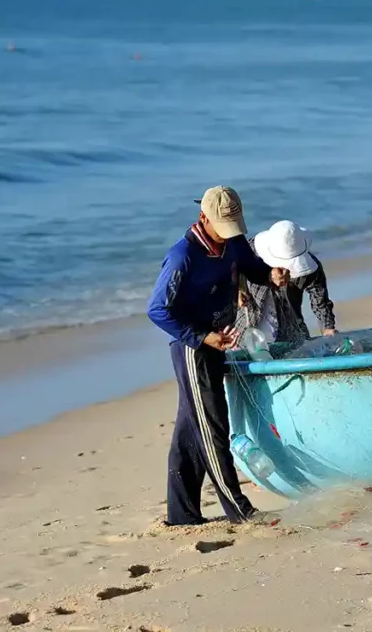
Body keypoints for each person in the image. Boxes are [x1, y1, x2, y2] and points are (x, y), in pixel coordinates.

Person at [147, 186, 287, 525]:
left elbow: (252, 268)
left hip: (220, 339)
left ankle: (182, 515)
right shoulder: (183, 257)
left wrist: (270, 275)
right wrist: (203, 336)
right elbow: (157, 310)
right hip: (194, 349)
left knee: (190, 428)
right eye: (222, 228)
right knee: (213, 429)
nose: (229, 236)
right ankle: (239, 511)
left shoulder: (234, 242)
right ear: (203, 218)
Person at [234, 220, 337, 344]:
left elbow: (320, 301)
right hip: (248, 327)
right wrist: (237, 290)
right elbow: (227, 268)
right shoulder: (250, 251)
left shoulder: (310, 268)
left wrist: (328, 327)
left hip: (290, 331)